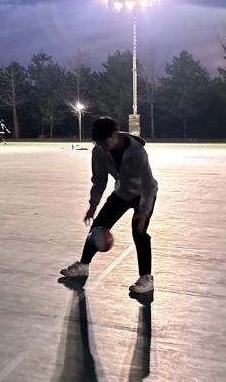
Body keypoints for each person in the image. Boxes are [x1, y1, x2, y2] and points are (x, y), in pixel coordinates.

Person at [60, 116, 158, 294]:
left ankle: (146, 278)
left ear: (115, 135)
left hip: (143, 194)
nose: (102, 147)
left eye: (104, 143)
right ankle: (83, 265)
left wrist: (144, 212)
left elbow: (149, 185)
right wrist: (93, 205)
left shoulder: (137, 152)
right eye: (98, 144)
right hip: (122, 193)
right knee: (97, 227)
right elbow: (99, 180)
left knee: (139, 232)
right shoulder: (99, 151)